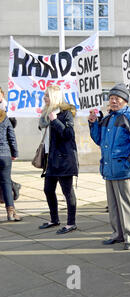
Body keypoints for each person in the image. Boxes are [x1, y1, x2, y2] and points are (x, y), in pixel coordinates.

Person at [89, 83, 130, 250]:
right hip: (109, 169)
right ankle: (117, 234)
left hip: (123, 168)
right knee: (113, 205)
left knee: (125, 205)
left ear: (125, 101)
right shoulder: (108, 118)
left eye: (117, 99)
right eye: (111, 98)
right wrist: (93, 123)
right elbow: (99, 140)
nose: (113, 101)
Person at [38, 85, 78, 234]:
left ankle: (71, 223)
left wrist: (55, 121)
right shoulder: (47, 114)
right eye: (44, 95)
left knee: (67, 192)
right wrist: (48, 120)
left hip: (64, 159)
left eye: (47, 95)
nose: (44, 98)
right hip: (51, 159)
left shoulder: (65, 113)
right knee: (48, 190)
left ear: (54, 97)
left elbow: (68, 134)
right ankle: (54, 219)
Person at [0, 106, 20, 222]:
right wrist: (15, 153)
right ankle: (11, 213)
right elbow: (12, 137)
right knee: (6, 183)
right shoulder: (4, 117)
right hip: (4, 155)